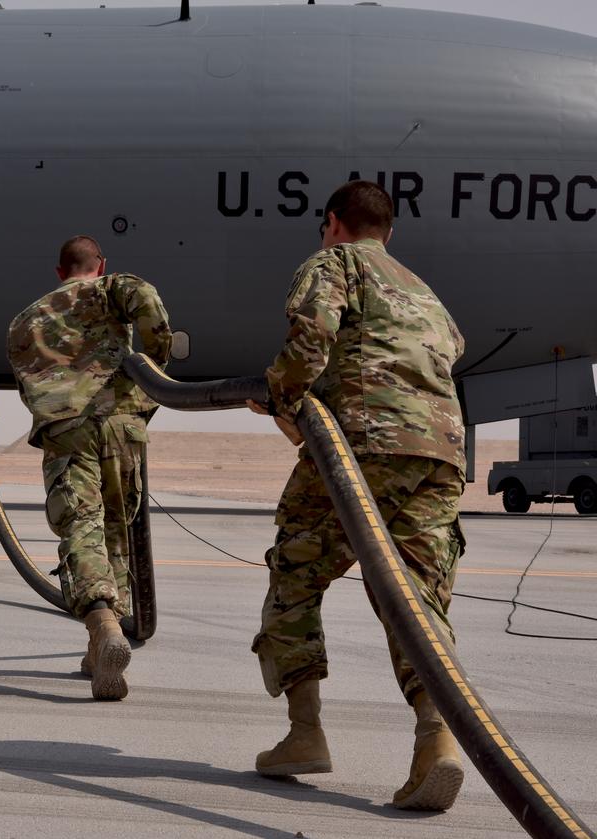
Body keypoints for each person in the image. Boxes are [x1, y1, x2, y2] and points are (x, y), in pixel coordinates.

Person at [246, 181, 467, 811]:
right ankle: (438, 740)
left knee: (295, 571)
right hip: (442, 454)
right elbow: (454, 350)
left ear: (334, 223)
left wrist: (283, 399)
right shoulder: (423, 291)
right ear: (388, 231)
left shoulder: (334, 263)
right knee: (413, 598)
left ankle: (304, 732)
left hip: (363, 444)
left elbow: (313, 333)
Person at [7, 236, 171, 701]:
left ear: (60, 272)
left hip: (67, 428)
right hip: (120, 422)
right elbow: (147, 300)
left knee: (82, 527)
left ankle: (101, 627)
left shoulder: (26, 319)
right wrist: (153, 372)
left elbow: (26, 381)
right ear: (101, 266)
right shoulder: (111, 287)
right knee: (117, 528)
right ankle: (102, 640)